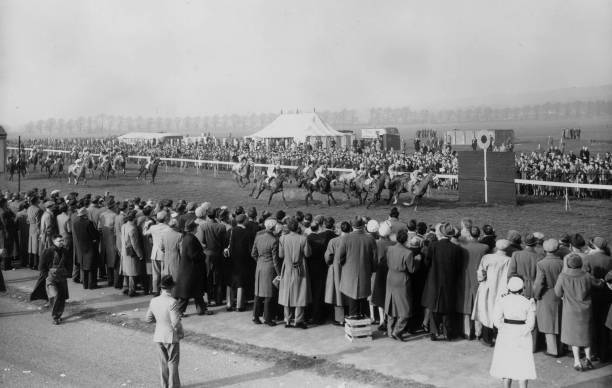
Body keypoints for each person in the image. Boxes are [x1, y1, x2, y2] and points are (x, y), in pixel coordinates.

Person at [554, 254, 602, 371]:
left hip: (570, 311)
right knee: (586, 335)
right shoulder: (586, 275)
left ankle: (577, 362)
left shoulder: (563, 276)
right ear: (580, 263)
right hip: (586, 310)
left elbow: (557, 293)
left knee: (574, 337)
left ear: (568, 264)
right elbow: (598, 285)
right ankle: (588, 359)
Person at [489, 276, 537, 388]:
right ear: (522, 289)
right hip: (522, 335)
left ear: (508, 288)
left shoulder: (502, 300)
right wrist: (522, 332)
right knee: (523, 365)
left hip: (506, 334)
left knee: (506, 363)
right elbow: (531, 324)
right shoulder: (528, 302)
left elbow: (496, 320)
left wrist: (504, 328)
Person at [422, 222, 462, 341]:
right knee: (447, 306)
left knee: (434, 306)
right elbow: (458, 267)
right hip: (449, 280)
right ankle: (448, 332)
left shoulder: (433, 246)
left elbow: (427, 262)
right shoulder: (456, 248)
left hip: (434, 278)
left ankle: (433, 332)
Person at [145, 275, 184, 388]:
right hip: (171, 336)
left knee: (163, 363)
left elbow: (148, 319)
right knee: (173, 362)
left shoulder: (153, 301)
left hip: (158, 335)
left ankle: (164, 385)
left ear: (161, 288)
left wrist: (159, 321)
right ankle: (174, 386)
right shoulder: (172, 302)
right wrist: (180, 332)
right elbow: (175, 322)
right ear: (171, 288)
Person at [472, 239, 511, 347]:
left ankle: (487, 338)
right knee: (499, 313)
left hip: (487, 287)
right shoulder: (509, 260)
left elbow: (480, 272)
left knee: (486, 311)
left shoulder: (487, 257)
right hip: (502, 289)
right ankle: (498, 337)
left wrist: (482, 281)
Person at [337, 217, 377, 319]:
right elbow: (374, 258)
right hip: (365, 272)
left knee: (352, 299)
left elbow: (339, 257)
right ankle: (361, 318)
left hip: (349, 274)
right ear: (363, 226)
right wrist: (372, 269)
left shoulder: (345, 238)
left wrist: (344, 265)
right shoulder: (370, 239)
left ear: (352, 226)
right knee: (363, 298)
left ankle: (354, 319)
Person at [385, 231, 420, 341]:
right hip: (401, 280)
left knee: (391, 305)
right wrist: (418, 260)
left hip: (390, 277)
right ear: (405, 240)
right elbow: (412, 269)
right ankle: (397, 331)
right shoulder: (408, 253)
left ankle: (390, 331)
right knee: (405, 308)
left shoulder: (390, 249)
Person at [278, 218, 311, 328]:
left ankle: (287, 319)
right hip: (300, 267)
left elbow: (281, 255)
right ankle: (298, 320)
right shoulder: (303, 239)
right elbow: (307, 254)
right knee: (300, 293)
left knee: (287, 293)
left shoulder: (282, 238)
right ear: (297, 227)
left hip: (287, 267)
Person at [457, 226, 489, 340]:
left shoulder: (463, 247)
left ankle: (467, 332)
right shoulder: (485, 247)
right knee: (478, 305)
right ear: (479, 235)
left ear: (470, 235)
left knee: (466, 305)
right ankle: (478, 332)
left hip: (465, 277)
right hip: (478, 278)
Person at [534, 239, 563, 357]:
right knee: (559, 320)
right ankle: (561, 347)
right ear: (557, 249)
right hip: (560, 293)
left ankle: (552, 350)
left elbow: (539, 283)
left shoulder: (541, 264)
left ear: (545, 250)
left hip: (546, 294)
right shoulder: (562, 262)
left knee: (548, 323)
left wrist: (536, 295)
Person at [174, 221, 208, 316]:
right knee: (186, 293)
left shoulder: (187, 237)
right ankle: (178, 312)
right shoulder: (191, 239)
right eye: (196, 227)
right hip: (191, 270)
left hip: (189, 269)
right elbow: (193, 255)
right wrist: (203, 255)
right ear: (193, 228)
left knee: (196, 291)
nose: (197, 228)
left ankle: (201, 309)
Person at [251, 218, 280, 326]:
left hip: (260, 266)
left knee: (258, 293)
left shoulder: (258, 237)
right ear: (273, 227)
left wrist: (260, 261)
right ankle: (267, 318)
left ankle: (255, 316)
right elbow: (275, 260)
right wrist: (279, 273)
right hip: (269, 268)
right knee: (269, 294)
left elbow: (253, 253)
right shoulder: (274, 240)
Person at [324, 221, 350, 326]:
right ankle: (351, 315)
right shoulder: (353, 240)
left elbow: (328, 257)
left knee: (337, 293)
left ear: (340, 230)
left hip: (337, 269)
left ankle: (339, 319)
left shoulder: (333, 241)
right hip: (350, 269)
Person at [42, 235, 70, 325]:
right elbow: (41, 266)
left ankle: (58, 315)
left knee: (61, 297)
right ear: (54, 242)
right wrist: (48, 275)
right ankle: (55, 317)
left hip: (62, 277)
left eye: (62, 240)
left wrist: (66, 272)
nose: (61, 242)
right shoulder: (48, 251)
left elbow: (69, 263)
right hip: (51, 278)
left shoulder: (65, 251)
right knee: (56, 295)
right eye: (59, 241)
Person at [72, 207, 100, 290]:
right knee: (92, 266)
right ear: (85, 214)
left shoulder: (75, 223)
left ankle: (85, 284)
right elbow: (94, 235)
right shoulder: (89, 223)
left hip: (81, 246)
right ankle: (92, 284)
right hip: (90, 246)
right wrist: (96, 238)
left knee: (84, 266)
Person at [121, 210, 146, 297]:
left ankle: (125, 287)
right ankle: (132, 290)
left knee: (126, 270)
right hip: (131, 251)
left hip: (124, 250)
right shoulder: (133, 228)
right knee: (132, 271)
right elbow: (135, 244)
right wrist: (140, 254)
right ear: (134, 218)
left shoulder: (124, 225)